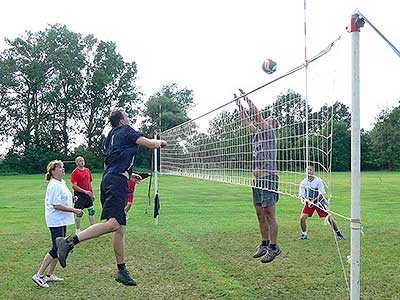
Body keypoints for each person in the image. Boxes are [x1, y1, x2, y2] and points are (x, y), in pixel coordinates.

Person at [56, 108, 167, 286]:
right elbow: (150, 143)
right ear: (121, 120)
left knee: (120, 228)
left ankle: (122, 270)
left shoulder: (110, 137)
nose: (129, 118)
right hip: (116, 182)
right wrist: (161, 141)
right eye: (127, 115)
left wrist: (129, 175)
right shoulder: (127, 130)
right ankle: (69, 242)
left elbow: (112, 161)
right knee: (114, 224)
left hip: (110, 179)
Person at [235, 89, 281, 264]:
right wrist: (240, 105)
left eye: (270, 120)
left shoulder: (269, 133)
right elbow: (247, 121)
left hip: (268, 177)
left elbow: (257, 116)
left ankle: (274, 247)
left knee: (270, 214)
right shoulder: (257, 134)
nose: (268, 119)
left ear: (272, 125)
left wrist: (248, 99)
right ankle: (264, 244)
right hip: (257, 179)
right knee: (260, 214)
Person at [32, 160, 83, 288]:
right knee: (57, 248)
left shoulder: (62, 182)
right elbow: (56, 205)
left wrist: (71, 199)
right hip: (56, 220)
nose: (63, 169)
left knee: (60, 247)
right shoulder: (54, 184)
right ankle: (38, 275)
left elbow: (62, 199)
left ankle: (50, 275)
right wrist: (74, 210)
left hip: (62, 219)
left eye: (63, 167)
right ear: (52, 172)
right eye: (59, 168)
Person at [298, 165, 345, 240]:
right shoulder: (303, 182)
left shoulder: (318, 181)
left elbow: (322, 194)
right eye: (307, 170)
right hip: (310, 203)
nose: (308, 171)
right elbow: (303, 195)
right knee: (302, 218)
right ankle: (304, 234)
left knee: (329, 218)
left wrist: (314, 201)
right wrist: (308, 201)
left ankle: (339, 233)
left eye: (310, 170)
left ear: (313, 171)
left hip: (319, 202)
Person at [70, 156, 95, 234]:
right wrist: (85, 191)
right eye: (80, 161)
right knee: (79, 212)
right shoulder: (75, 172)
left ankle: (92, 228)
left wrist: (92, 193)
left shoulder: (87, 170)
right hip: (79, 194)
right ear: (77, 163)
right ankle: (77, 230)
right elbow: (74, 186)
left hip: (88, 194)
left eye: (83, 160)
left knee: (92, 210)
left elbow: (90, 183)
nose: (82, 162)